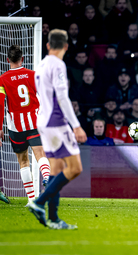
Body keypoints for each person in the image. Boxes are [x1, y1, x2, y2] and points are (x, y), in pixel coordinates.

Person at [28, 29, 87, 230]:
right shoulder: (58, 65)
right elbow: (62, 97)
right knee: (75, 168)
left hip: (42, 121)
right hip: (56, 122)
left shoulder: (41, 65)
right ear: (66, 47)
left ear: (47, 45)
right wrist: (76, 125)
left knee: (55, 170)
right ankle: (39, 201)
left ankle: (53, 219)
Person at [0, 45, 51, 205]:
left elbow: (1, 104)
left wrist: (0, 127)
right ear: (23, 59)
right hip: (34, 122)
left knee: (23, 161)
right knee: (40, 154)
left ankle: (30, 199)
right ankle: (47, 177)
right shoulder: (33, 75)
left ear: (7, 60)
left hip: (16, 126)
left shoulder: (3, 79)